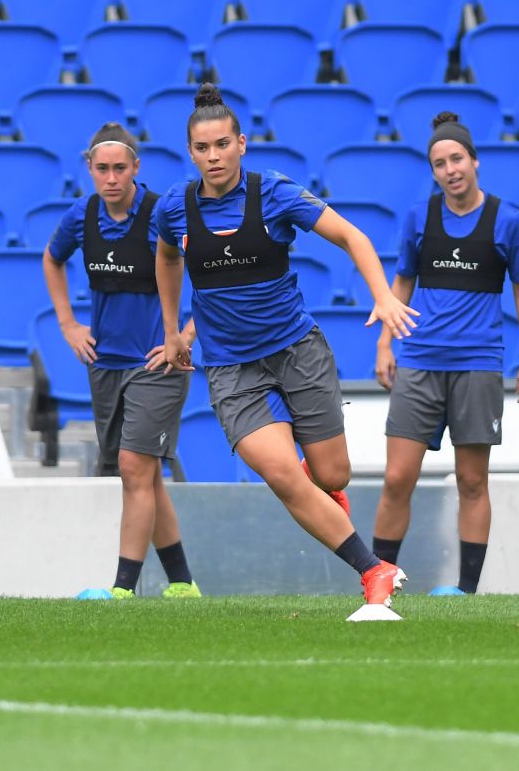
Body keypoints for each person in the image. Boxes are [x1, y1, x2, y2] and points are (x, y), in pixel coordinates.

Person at [154, 83, 419, 613]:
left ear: (242, 144)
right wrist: (172, 331)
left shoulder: (271, 192)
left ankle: (328, 498)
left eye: (222, 145)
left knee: (331, 475)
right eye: (203, 148)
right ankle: (373, 571)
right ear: (191, 153)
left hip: (297, 351)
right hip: (230, 367)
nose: (214, 157)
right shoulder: (174, 208)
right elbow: (167, 259)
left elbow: (351, 237)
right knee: (279, 473)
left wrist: (384, 295)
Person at [370, 111, 519, 596]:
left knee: (471, 481)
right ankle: (378, 585)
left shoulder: (507, 221)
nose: (450, 169)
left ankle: (467, 593)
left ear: (474, 161)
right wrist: (385, 342)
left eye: (457, 158)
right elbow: (401, 281)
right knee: (398, 477)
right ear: (433, 171)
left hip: (478, 364)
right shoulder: (419, 218)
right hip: (419, 361)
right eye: (440, 163)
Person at [43, 122, 201, 599]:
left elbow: (212, 270)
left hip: (158, 364)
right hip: (106, 364)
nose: (111, 178)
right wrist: (69, 323)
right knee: (145, 476)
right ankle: (182, 583)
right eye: (102, 169)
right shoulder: (82, 215)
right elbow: (52, 259)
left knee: (134, 467)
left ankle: (123, 590)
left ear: (136, 168)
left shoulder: (162, 215)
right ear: (89, 170)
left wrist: (185, 334)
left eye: (119, 168)